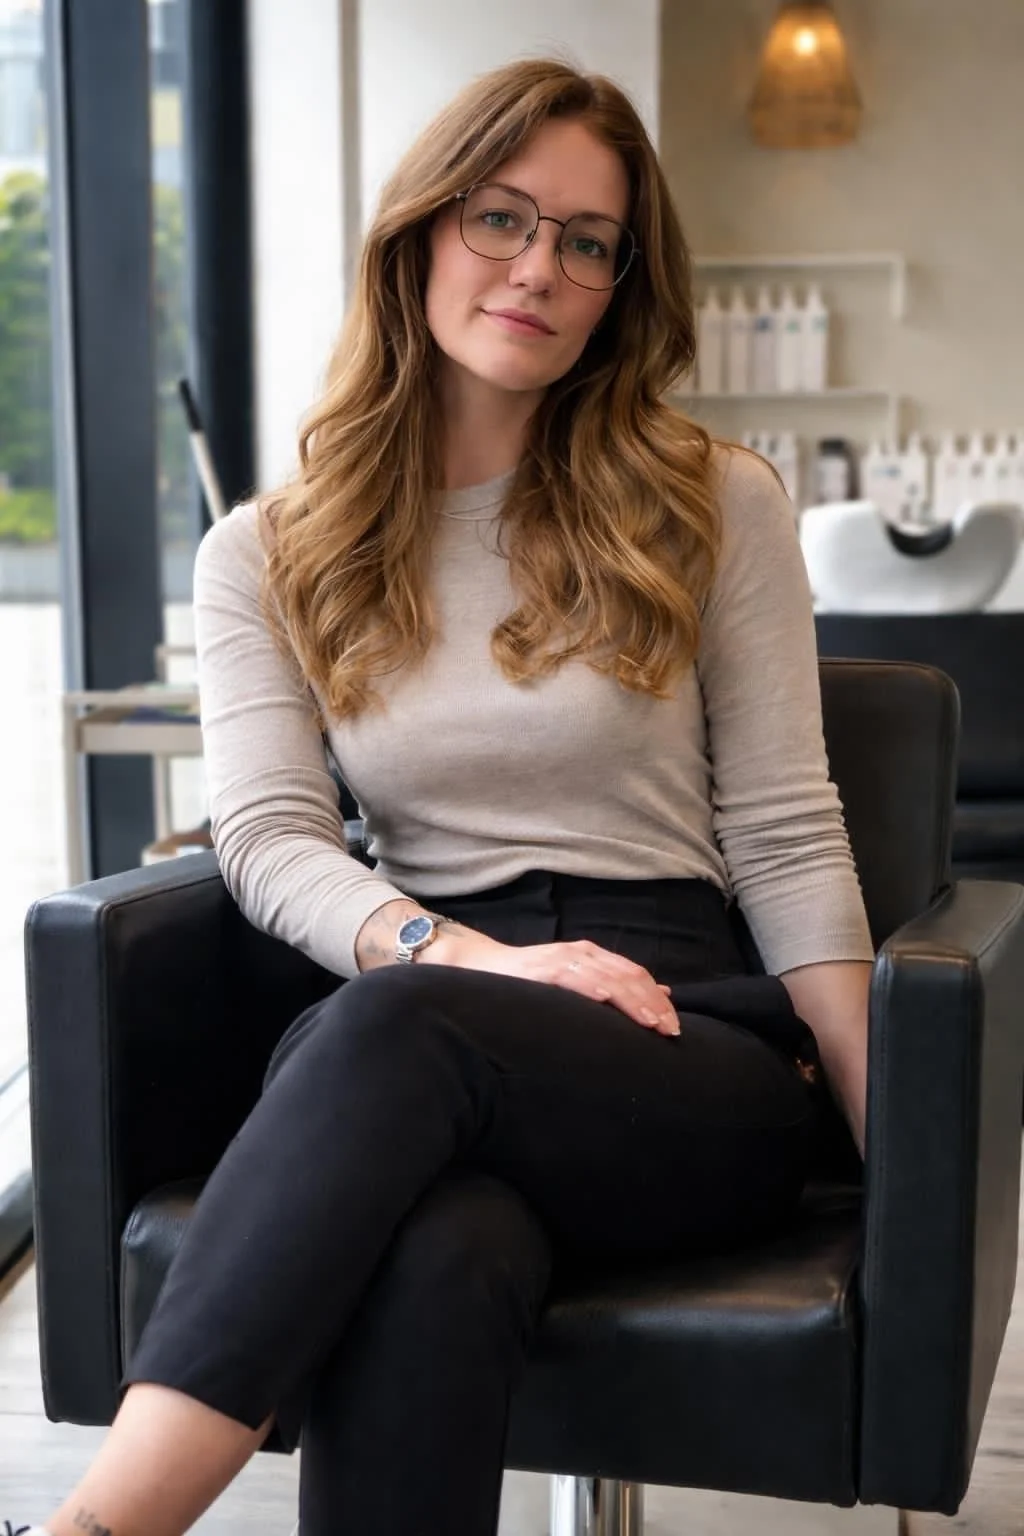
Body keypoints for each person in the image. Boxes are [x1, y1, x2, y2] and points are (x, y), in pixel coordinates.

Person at [28, 55, 874, 1536]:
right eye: (501, 218)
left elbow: (788, 831)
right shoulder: (269, 550)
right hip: (421, 1007)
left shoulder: (713, 501)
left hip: (678, 1039)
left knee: (396, 1030)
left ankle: (100, 1528)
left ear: (620, 282)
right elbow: (274, 842)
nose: (539, 267)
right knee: (438, 1245)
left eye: (587, 241)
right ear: (421, 229)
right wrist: (474, 959)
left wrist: (906, 1158)